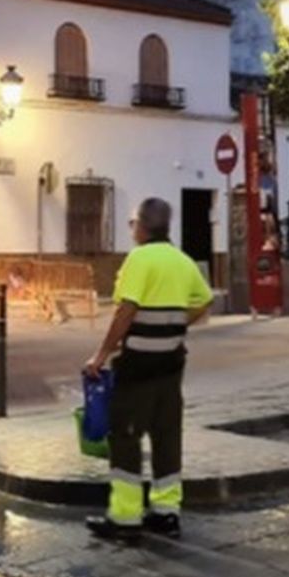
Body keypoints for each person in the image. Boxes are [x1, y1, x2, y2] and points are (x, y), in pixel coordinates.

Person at [82, 196, 213, 542]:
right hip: (171, 363)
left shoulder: (139, 260)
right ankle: (166, 514)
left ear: (141, 226)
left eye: (131, 224)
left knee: (125, 437)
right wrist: (176, 324)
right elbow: (205, 300)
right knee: (167, 436)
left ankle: (125, 518)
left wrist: (100, 355)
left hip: (138, 365)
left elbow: (126, 310)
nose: (132, 230)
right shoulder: (182, 261)